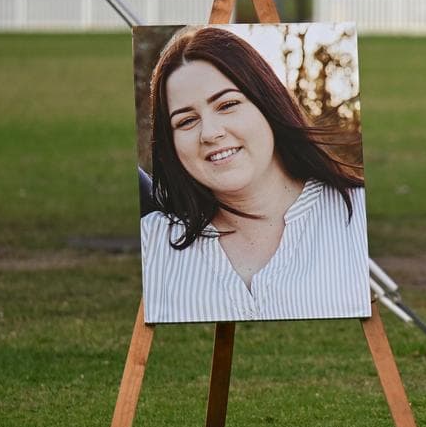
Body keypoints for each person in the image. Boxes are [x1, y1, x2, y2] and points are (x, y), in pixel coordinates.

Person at [139, 26, 370, 323]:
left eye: (228, 105)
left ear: (267, 104)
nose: (210, 133)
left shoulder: (357, 217)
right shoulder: (153, 242)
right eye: (186, 121)